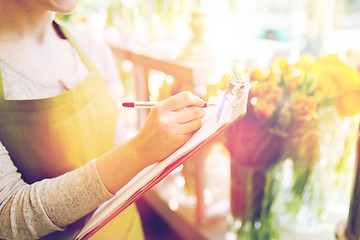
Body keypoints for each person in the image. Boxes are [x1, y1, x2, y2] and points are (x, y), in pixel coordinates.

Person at [0, 0, 206, 239]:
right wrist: (139, 150)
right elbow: (7, 215)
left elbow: (115, 147)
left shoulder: (92, 48)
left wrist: (166, 149)